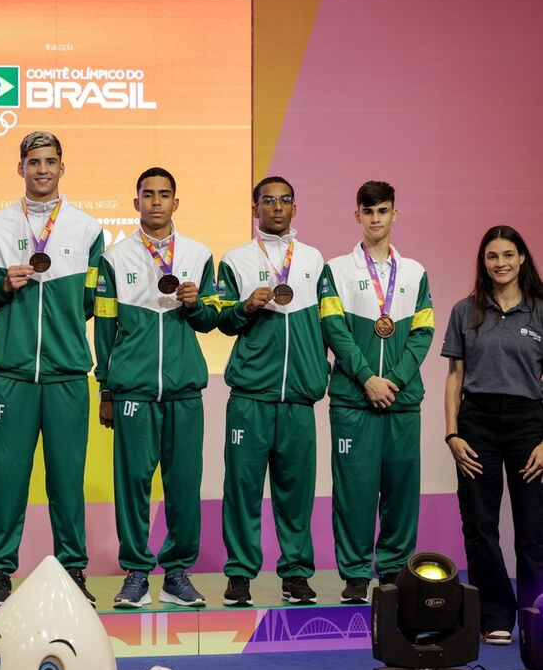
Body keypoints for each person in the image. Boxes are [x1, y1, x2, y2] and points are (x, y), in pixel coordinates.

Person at [0, 130, 105, 608]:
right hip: (10, 372)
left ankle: (73, 569)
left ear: (62, 167)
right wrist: (2, 288)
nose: (42, 169)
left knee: (67, 479)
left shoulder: (87, 228)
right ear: (21, 168)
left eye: (50, 161)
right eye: (34, 162)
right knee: (5, 476)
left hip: (68, 372)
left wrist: (59, 330)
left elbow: (92, 303)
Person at [94, 167, 219, 608]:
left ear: (176, 203)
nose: (156, 202)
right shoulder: (114, 258)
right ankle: (135, 574)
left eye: (165, 195)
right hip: (134, 391)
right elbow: (105, 328)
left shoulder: (199, 254)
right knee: (132, 484)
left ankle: (178, 574)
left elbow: (212, 319)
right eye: (148, 195)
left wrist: (196, 304)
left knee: (184, 483)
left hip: (185, 389)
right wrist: (106, 389)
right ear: (136, 203)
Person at [318, 181, 434, 604]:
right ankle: (353, 574)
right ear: (357, 216)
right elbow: (335, 330)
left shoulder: (416, 272)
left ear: (394, 215)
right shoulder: (337, 269)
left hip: (402, 402)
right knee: (355, 490)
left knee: (401, 492)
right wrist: (368, 378)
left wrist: (396, 381)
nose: (376, 219)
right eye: (368, 212)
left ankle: (393, 572)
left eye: (383, 211)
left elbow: (422, 334)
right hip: (353, 400)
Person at [216, 176, 327, 607]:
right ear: (254, 208)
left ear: (295, 208)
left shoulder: (315, 260)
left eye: (285, 201)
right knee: (241, 489)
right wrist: (246, 306)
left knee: (296, 493)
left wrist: (322, 372)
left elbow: (329, 323)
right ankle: (240, 575)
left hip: (299, 397)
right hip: (251, 397)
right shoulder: (236, 259)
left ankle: (296, 574)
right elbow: (221, 322)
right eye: (268, 201)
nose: (277, 207)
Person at [442, 225, 543, 645]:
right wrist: (452, 435)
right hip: (477, 422)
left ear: (521, 259)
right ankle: (496, 615)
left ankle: (535, 615)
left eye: (507, 255)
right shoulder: (466, 311)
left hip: (529, 424)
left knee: (534, 529)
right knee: (480, 525)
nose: (499, 263)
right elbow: (454, 377)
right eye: (491, 256)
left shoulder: (540, 310)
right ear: (483, 262)